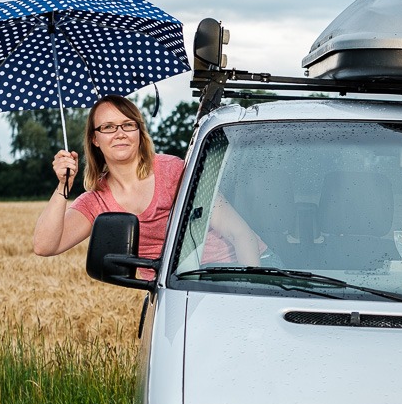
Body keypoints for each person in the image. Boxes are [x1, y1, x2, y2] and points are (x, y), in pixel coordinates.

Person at [33, 95, 264, 272]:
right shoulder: (96, 201)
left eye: (127, 125)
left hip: (235, 271)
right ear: (95, 139)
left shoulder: (172, 172)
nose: (120, 133)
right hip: (174, 293)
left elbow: (240, 234)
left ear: (139, 132)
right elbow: (45, 246)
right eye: (108, 127)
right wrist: (63, 185)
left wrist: (250, 299)